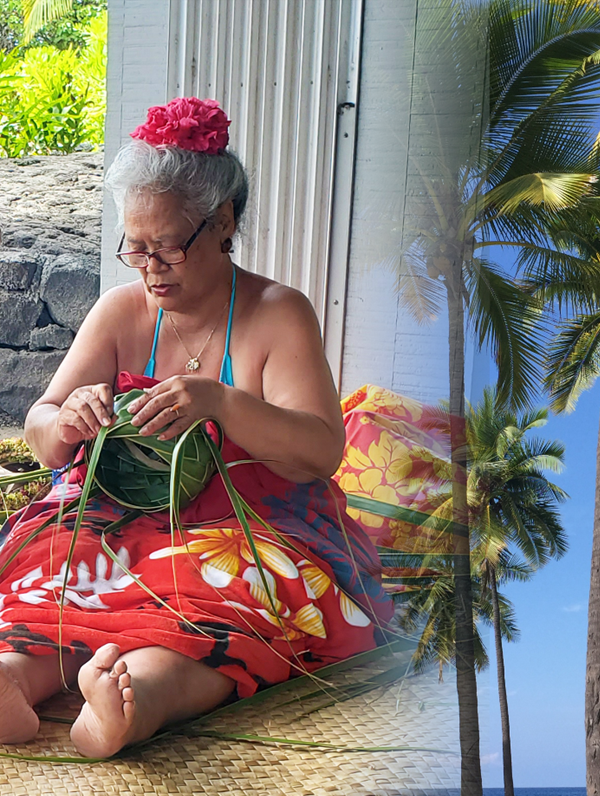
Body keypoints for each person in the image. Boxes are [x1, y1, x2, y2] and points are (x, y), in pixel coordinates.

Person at [0, 98, 391, 758]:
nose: (149, 266)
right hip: (113, 511)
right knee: (54, 572)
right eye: (136, 246)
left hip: (250, 525)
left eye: (168, 247)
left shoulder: (279, 314)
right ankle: (13, 680)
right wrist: (65, 419)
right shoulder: (119, 312)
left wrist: (223, 403)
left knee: (216, 593)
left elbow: (322, 450)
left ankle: (135, 700)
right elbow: (41, 427)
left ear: (224, 222)